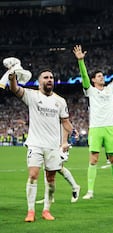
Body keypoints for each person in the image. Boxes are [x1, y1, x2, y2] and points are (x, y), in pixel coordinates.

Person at [72, 44, 113, 199]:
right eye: (99, 76)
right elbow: (84, 77)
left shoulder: (110, 89)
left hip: (110, 127)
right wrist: (81, 61)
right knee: (93, 159)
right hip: (95, 128)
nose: (102, 77)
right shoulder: (90, 90)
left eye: (102, 76)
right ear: (94, 80)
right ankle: (90, 191)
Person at [8, 69, 74, 222]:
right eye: (46, 77)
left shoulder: (60, 101)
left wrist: (72, 132)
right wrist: (12, 77)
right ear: (39, 82)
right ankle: (30, 211)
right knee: (33, 175)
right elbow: (14, 89)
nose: (49, 79)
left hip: (52, 146)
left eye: (51, 77)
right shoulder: (32, 95)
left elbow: (65, 122)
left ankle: (46, 210)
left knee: (51, 179)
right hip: (35, 144)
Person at [36, 127, 81, 204]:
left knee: (53, 168)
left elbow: (64, 123)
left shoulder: (57, 116)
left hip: (58, 144)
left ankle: (74, 187)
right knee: (52, 167)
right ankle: (50, 196)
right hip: (51, 142)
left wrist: (64, 142)